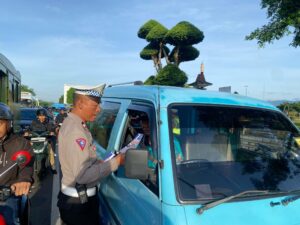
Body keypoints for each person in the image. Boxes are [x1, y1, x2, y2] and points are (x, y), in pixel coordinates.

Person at [57, 84, 125, 225]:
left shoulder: (75, 124)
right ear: (81, 104)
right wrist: (115, 163)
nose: (99, 110)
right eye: (95, 105)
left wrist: (98, 162)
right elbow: (82, 176)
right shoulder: (76, 131)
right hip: (79, 206)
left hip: (79, 202)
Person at [0, 103, 34, 225]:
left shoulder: (20, 144)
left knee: (9, 219)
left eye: (0, 123)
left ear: (9, 124)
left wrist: (24, 180)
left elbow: (27, 165)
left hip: (7, 194)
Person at [28, 108, 57, 174]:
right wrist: (27, 132)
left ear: (45, 116)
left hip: (45, 141)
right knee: (28, 150)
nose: (42, 117)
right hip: (35, 141)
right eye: (40, 115)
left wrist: (52, 132)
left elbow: (52, 128)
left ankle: (53, 166)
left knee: (50, 151)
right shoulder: (33, 122)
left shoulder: (48, 123)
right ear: (37, 116)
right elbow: (29, 129)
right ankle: (27, 166)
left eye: (43, 115)